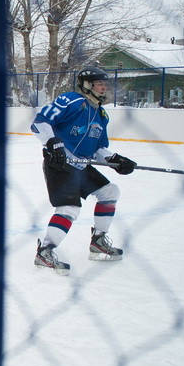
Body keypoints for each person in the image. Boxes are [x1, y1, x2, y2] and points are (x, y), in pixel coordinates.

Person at [30, 66, 137, 275]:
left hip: (82, 166)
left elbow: (99, 148)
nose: (103, 87)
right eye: (99, 83)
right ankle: (45, 251)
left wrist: (115, 160)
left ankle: (98, 241)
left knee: (110, 191)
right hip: (59, 164)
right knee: (70, 209)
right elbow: (39, 123)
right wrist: (53, 142)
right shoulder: (71, 101)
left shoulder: (101, 114)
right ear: (87, 85)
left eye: (105, 84)